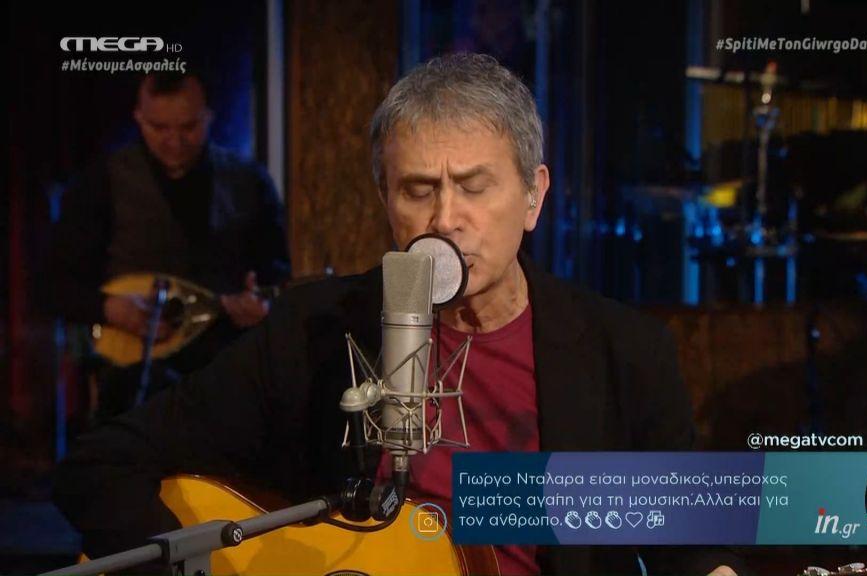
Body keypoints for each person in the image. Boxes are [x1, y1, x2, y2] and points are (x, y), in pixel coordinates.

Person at [53, 54, 739, 576]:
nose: (445, 218)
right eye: (417, 191)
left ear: (533, 197)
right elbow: (101, 462)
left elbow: (691, 548)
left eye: (474, 187)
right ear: (386, 202)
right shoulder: (317, 331)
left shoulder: (624, 351)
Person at [50, 72, 290, 421]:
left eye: (188, 127)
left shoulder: (249, 182)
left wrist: (262, 305)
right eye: (159, 128)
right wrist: (110, 308)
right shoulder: (102, 181)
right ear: (139, 118)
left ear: (208, 117)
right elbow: (57, 283)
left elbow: (276, 273)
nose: (174, 141)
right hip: (132, 379)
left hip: (225, 370)